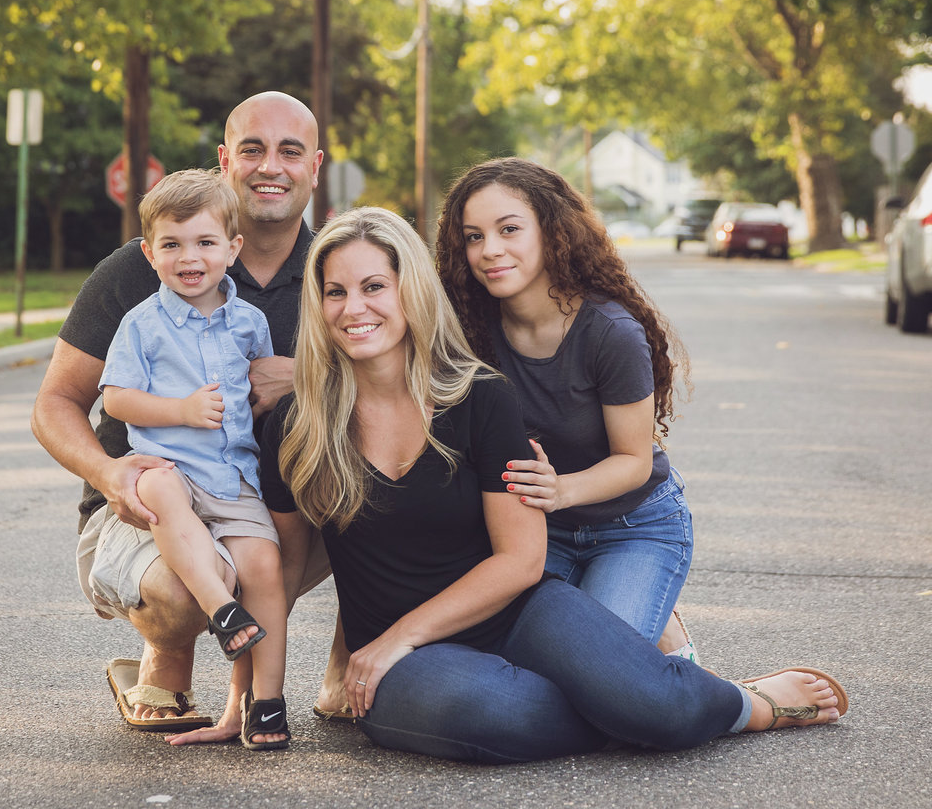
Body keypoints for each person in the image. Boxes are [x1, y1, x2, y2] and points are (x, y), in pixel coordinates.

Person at [256, 205, 849, 763]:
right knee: (489, 710)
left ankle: (739, 703)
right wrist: (257, 702)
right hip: (409, 665)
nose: (353, 308)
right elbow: (281, 572)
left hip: (517, 611)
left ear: (410, 292)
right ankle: (657, 698)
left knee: (641, 699)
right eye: (335, 291)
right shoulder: (297, 428)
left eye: (373, 287)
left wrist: (401, 635)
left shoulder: (479, 398)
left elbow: (520, 560)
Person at [31, 91, 336, 743]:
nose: (269, 166)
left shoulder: (338, 270)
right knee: (184, 585)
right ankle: (165, 657)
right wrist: (111, 476)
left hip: (264, 504)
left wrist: (310, 375)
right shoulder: (141, 270)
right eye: (252, 149)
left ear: (316, 164)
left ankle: (320, 674)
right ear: (226, 159)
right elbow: (56, 403)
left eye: (289, 151)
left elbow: (409, 386)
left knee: (373, 505)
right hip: (145, 506)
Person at [436, 157, 697, 659]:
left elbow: (634, 461)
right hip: (537, 532)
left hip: (633, 526)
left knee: (597, 671)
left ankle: (680, 661)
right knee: (526, 668)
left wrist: (562, 490)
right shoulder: (465, 328)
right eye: (473, 237)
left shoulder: (611, 333)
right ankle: (639, 622)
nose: (490, 250)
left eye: (509, 229)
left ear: (551, 231)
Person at [97, 169, 288, 749]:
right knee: (160, 492)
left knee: (265, 568)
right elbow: (117, 399)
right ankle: (221, 610)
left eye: (205, 243)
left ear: (232, 249)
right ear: (149, 252)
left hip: (233, 477)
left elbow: (258, 388)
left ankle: (268, 703)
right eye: (172, 245)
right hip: (168, 468)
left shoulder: (250, 323)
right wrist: (180, 410)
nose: (190, 257)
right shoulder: (142, 324)